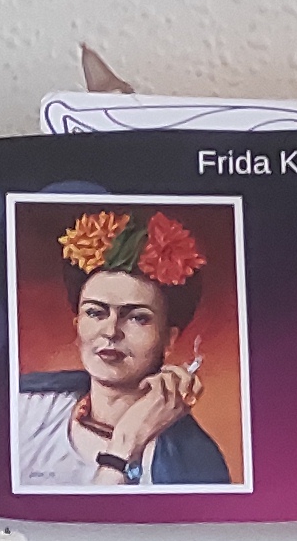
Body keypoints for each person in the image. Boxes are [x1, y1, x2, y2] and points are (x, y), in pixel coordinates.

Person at [16, 207, 234, 488]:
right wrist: (123, 443)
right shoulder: (27, 408)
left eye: (137, 318)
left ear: (168, 338)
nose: (111, 331)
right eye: (95, 313)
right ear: (77, 324)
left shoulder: (195, 462)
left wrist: (128, 443)